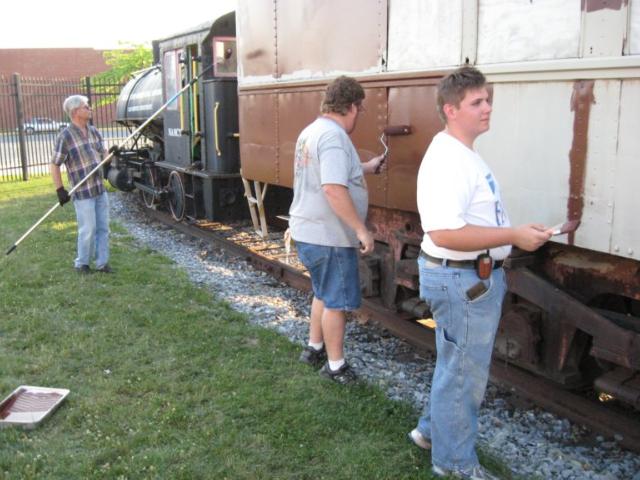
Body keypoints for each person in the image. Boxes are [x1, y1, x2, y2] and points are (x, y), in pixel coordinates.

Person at [408, 66, 552, 479]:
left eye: (488, 100)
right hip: (463, 279)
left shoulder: (462, 153)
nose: (487, 108)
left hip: (467, 276)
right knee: (464, 375)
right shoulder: (449, 160)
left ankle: (430, 433)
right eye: (477, 102)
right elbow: (444, 232)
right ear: (451, 110)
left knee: (455, 365)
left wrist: (514, 233)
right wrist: (513, 235)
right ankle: (453, 464)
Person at [289, 76, 385, 385]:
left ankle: (314, 349)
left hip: (309, 231)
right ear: (353, 106)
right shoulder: (333, 137)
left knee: (322, 292)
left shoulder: (312, 131)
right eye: (361, 109)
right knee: (336, 302)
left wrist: (367, 167)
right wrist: (361, 229)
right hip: (328, 236)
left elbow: (330, 169)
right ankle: (336, 367)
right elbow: (332, 188)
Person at [50, 95, 112, 274]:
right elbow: (55, 164)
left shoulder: (94, 131)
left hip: (99, 188)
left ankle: (102, 263)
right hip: (83, 192)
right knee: (88, 229)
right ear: (75, 111)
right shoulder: (65, 136)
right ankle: (82, 263)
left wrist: (110, 154)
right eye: (86, 107)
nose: (90, 109)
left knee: (103, 228)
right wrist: (60, 189)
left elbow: (103, 155)